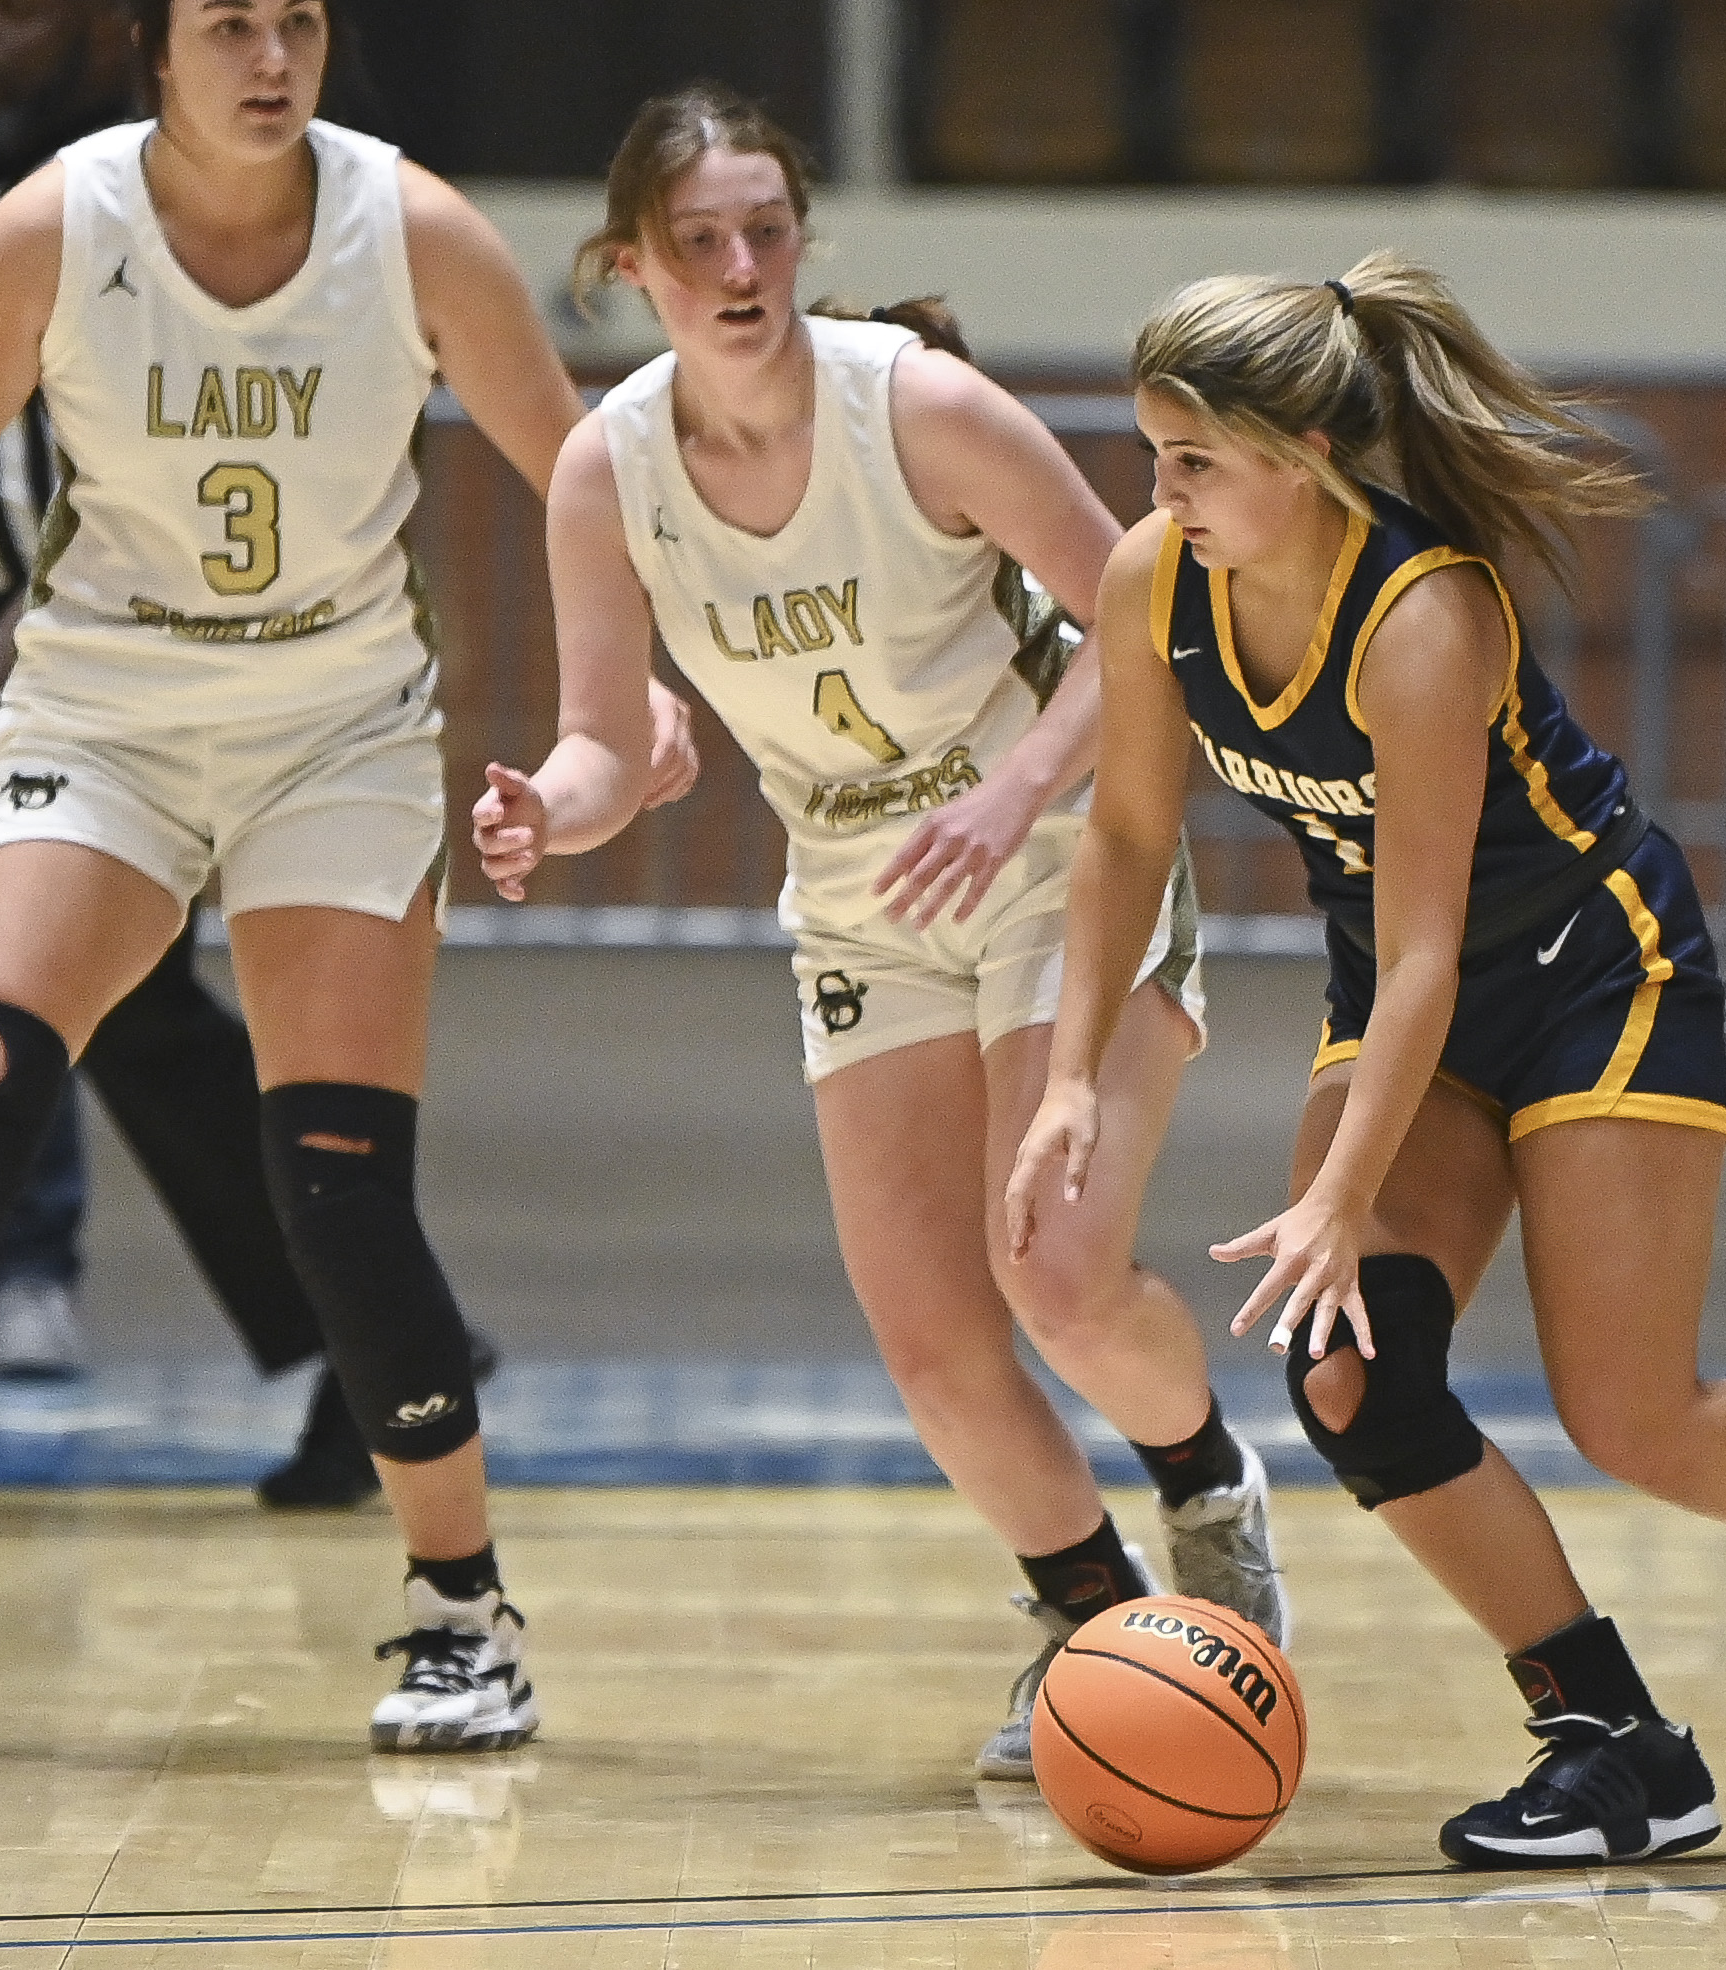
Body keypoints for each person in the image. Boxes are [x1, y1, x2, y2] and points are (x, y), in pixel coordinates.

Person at [1005, 256, 1726, 1865]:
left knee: (1627, 1411)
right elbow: (1125, 830)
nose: (1159, 488)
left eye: (1191, 459)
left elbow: (1426, 949)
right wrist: (1065, 1072)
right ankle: (1614, 1738)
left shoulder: (1422, 613)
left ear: (1304, 456)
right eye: (1151, 456)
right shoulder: (1152, 580)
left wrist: (1338, 1191)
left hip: (1593, 972)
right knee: (1348, 1375)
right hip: (1412, 993)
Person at [0, 0, 688, 1749]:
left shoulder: (415, 227)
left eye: (298, 20)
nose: (270, 54)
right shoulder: (56, 226)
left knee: (336, 1183)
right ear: (156, 50)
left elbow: (587, 475)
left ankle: (464, 1614)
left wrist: (625, 705)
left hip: (337, 725)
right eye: (229, 22)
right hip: (103, 708)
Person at [472, 84, 1285, 1781]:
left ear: (803, 240)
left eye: (766, 226)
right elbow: (613, 738)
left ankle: (1207, 1482)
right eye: (697, 239)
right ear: (629, 265)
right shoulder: (603, 466)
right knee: (927, 1336)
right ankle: (1090, 1618)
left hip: (1059, 843)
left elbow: (1143, 616)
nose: (740, 262)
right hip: (855, 889)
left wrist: (1011, 793)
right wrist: (551, 805)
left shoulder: (916, 408)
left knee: (1052, 1271)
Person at [0, 0, 500, 1498]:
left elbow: (116, 487)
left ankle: (391, 1391)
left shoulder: (287, 217)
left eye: (14, 14)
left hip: (38, 646)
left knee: (70, 1048)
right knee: (23, 1045)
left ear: (115, 41)